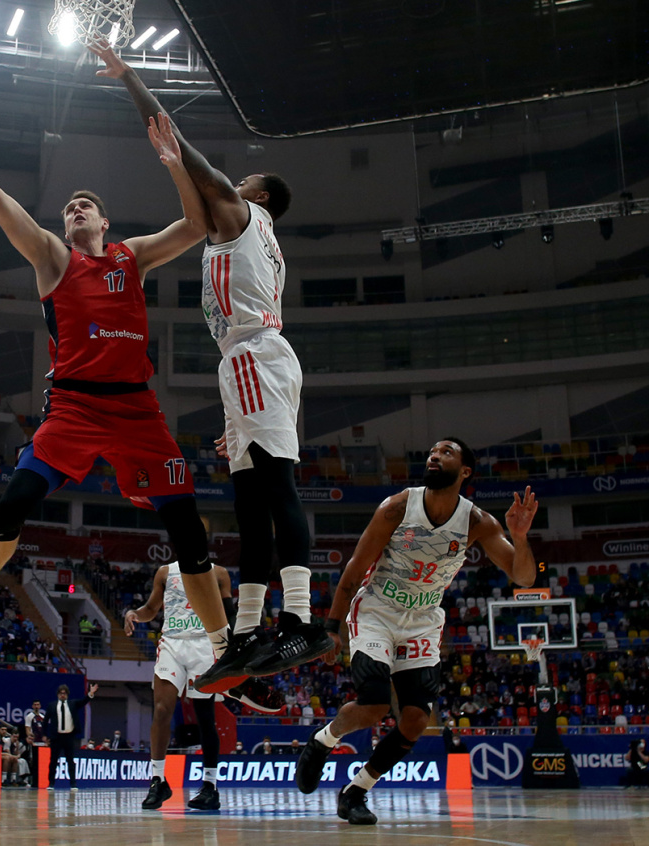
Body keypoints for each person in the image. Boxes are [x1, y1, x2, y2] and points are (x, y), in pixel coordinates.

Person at [0, 76, 241, 676]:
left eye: (85, 205)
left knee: (188, 531)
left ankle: (226, 654)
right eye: (69, 208)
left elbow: (197, 226)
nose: (75, 209)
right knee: (13, 505)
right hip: (74, 407)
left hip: (136, 410)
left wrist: (174, 163)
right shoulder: (51, 256)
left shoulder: (131, 256)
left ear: (104, 221)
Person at [93, 42, 333, 691]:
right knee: (249, 504)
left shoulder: (243, 214)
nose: (234, 181)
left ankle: (302, 620)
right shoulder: (257, 236)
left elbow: (185, 148)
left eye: (244, 179)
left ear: (257, 194)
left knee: (275, 490)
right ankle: (248, 631)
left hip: (255, 357)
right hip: (249, 364)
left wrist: (129, 77)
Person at [294, 439, 538, 825]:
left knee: (415, 721)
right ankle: (323, 740)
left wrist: (520, 538)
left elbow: (524, 577)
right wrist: (332, 628)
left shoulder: (477, 522)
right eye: (432, 452)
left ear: (465, 471)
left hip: (422, 620)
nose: (434, 456)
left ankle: (356, 791)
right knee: (374, 706)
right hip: (377, 610)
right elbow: (355, 568)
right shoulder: (397, 507)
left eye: (446, 452)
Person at [125, 561, 239, 810]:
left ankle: (210, 786)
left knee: (205, 717)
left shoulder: (219, 573)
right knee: (161, 710)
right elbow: (151, 609)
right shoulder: (165, 572)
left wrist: (234, 646)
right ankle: (158, 781)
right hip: (172, 642)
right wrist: (134, 614)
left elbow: (229, 613)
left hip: (205, 643)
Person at [46, 683, 98, 790]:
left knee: (70, 761)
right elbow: (45, 721)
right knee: (53, 761)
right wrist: (45, 735)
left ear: (67, 695)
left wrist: (90, 693)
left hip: (68, 736)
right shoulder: (52, 705)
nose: (62, 695)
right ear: (58, 694)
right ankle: (51, 783)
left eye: (64, 693)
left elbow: (83, 702)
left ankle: (73, 784)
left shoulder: (72, 704)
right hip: (56, 737)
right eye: (61, 693)